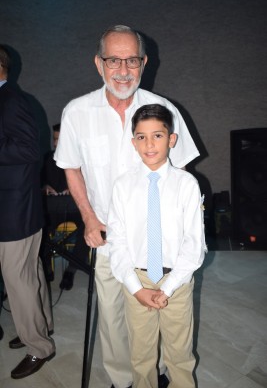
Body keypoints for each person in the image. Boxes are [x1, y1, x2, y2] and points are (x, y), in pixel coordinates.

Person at [54, 25, 200, 388]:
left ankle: (162, 372)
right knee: (114, 314)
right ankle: (125, 381)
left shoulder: (163, 109)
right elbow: (70, 167)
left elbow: (179, 170)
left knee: (167, 309)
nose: (123, 69)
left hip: (160, 237)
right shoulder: (76, 112)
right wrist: (88, 219)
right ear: (98, 64)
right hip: (107, 235)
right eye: (113, 60)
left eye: (131, 60)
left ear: (144, 63)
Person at [108, 104, 206, 388]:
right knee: (141, 355)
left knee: (179, 354)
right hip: (136, 279)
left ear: (171, 139)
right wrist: (136, 289)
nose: (149, 144)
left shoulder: (186, 184)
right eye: (141, 137)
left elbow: (193, 245)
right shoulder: (123, 186)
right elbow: (117, 240)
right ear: (133, 142)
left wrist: (167, 287)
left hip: (176, 280)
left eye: (158, 136)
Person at [0, 45, 55, 379]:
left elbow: (28, 149)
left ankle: (39, 347)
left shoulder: (11, 101)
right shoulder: (11, 100)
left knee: (17, 278)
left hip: (14, 209)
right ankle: (39, 325)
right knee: (29, 274)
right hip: (18, 205)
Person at [41, 122, 88, 290]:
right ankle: (46, 266)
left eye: (59, 140)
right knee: (39, 226)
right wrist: (45, 187)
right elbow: (39, 181)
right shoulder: (48, 158)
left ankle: (72, 269)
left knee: (88, 226)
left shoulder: (82, 160)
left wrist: (75, 188)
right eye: (54, 140)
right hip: (52, 207)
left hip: (75, 207)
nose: (55, 144)